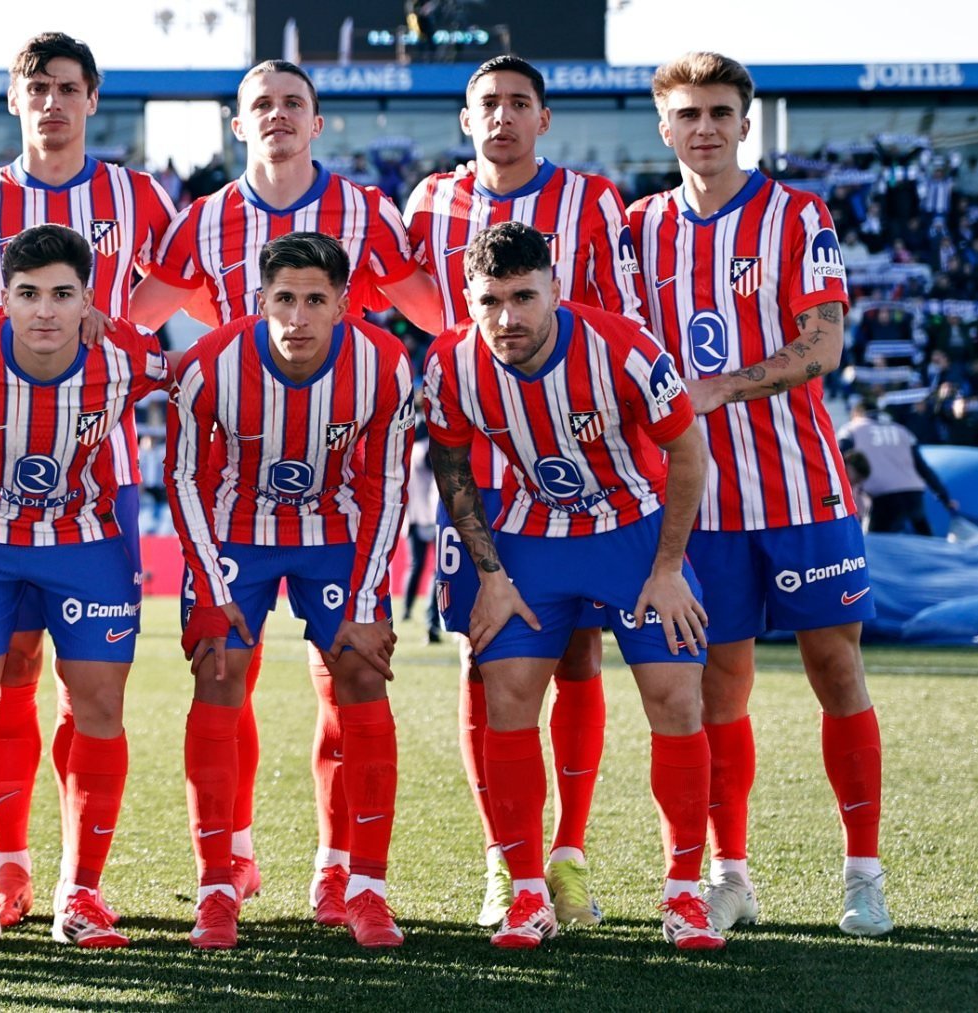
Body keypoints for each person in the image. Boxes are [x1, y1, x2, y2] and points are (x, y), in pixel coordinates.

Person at [132, 60, 443, 923]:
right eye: (260, 104)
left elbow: (434, 315)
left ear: (317, 122)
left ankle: (342, 868)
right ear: (239, 125)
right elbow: (135, 321)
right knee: (226, 665)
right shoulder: (203, 220)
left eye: (292, 104)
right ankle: (225, 866)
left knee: (343, 673)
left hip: (340, 485)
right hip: (235, 492)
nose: (276, 115)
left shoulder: (369, 214)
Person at [0, 32, 177, 927]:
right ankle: (3, 869)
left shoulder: (137, 195)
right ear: (14, 101)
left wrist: (121, 336)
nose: (52, 102)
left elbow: (191, 305)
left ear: (92, 99)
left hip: (101, 490)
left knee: (89, 690)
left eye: (68, 88)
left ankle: (81, 883)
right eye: (36, 88)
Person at [627, 52, 891, 938]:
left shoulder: (795, 215)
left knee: (837, 668)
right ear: (664, 128)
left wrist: (720, 386)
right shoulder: (635, 231)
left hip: (804, 490)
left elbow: (823, 348)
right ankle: (731, 874)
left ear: (747, 122)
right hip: (699, 507)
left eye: (720, 112)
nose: (704, 128)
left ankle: (863, 874)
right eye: (687, 114)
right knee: (719, 686)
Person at [422, 221, 721, 951]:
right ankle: (528, 892)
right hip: (531, 535)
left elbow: (689, 451)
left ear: (555, 287)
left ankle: (684, 893)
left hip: (635, 531)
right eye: (491, 300)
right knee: (510, 692)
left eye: (525, 296)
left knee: (677, 697)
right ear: (468, 297)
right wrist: (490, 575)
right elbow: (452, 465)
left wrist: (669, 566)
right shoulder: (452, 363)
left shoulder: (623, 348)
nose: (508, 317)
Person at [402, 55, 644, 929]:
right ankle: (508, 866)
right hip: (480, 471)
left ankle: (569, 854)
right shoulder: (428, 204)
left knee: (577, 654)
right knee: (483, 655)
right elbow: (418, 309)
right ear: (465, 121)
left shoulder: (593, 201)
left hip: (575, 472)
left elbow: (620, 323)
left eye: (517, 103)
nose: (501, 116)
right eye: (486, 105)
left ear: (543, 118)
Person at [166, 232, 412, 950]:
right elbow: (186, 477)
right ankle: (217, 885)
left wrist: (367, 603)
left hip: (334, 528)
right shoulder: (208, 366)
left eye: (314, 300)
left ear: (342, 302)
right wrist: (210, 588)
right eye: (284, 299)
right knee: (218, 672)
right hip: (236, 528)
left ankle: (360, 883)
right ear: (258, 300)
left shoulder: (383, 365)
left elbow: (386, 483)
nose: (298, 316)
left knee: (362, 674)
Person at [839, 397, 958, 533]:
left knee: (874, 545)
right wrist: (945, 498)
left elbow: (836, 457)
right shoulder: (902, 430)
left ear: (856, 414)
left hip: (881, 496)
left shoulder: (851, 429)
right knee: (927, 541)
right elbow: (923, 468)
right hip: (914, 494)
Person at [400, 434, 441, 640]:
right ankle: (431, 621)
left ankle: (407, 611)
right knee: (436, 570)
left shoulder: (405, 447)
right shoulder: (427, 448)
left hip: (413, 516)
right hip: (432, 515)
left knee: (416, 566)